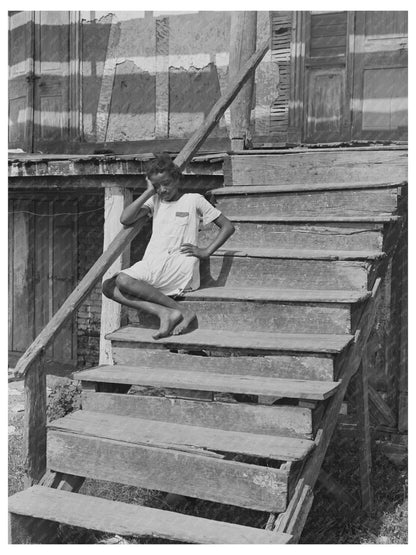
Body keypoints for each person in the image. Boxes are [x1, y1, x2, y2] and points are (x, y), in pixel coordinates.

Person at [102, 153, 235, 339]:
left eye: (166, 183)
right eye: (157, 186)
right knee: (108, 286)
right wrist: (149, 192)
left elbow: (228, 226)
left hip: (178, 264)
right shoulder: (155, 201)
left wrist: (205, 252)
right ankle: (164, 312)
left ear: (176, 179)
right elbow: (125, 218)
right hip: (153, 261)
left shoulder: (193, 200)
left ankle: (181, 311)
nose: (163, 189)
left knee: (123, 280)